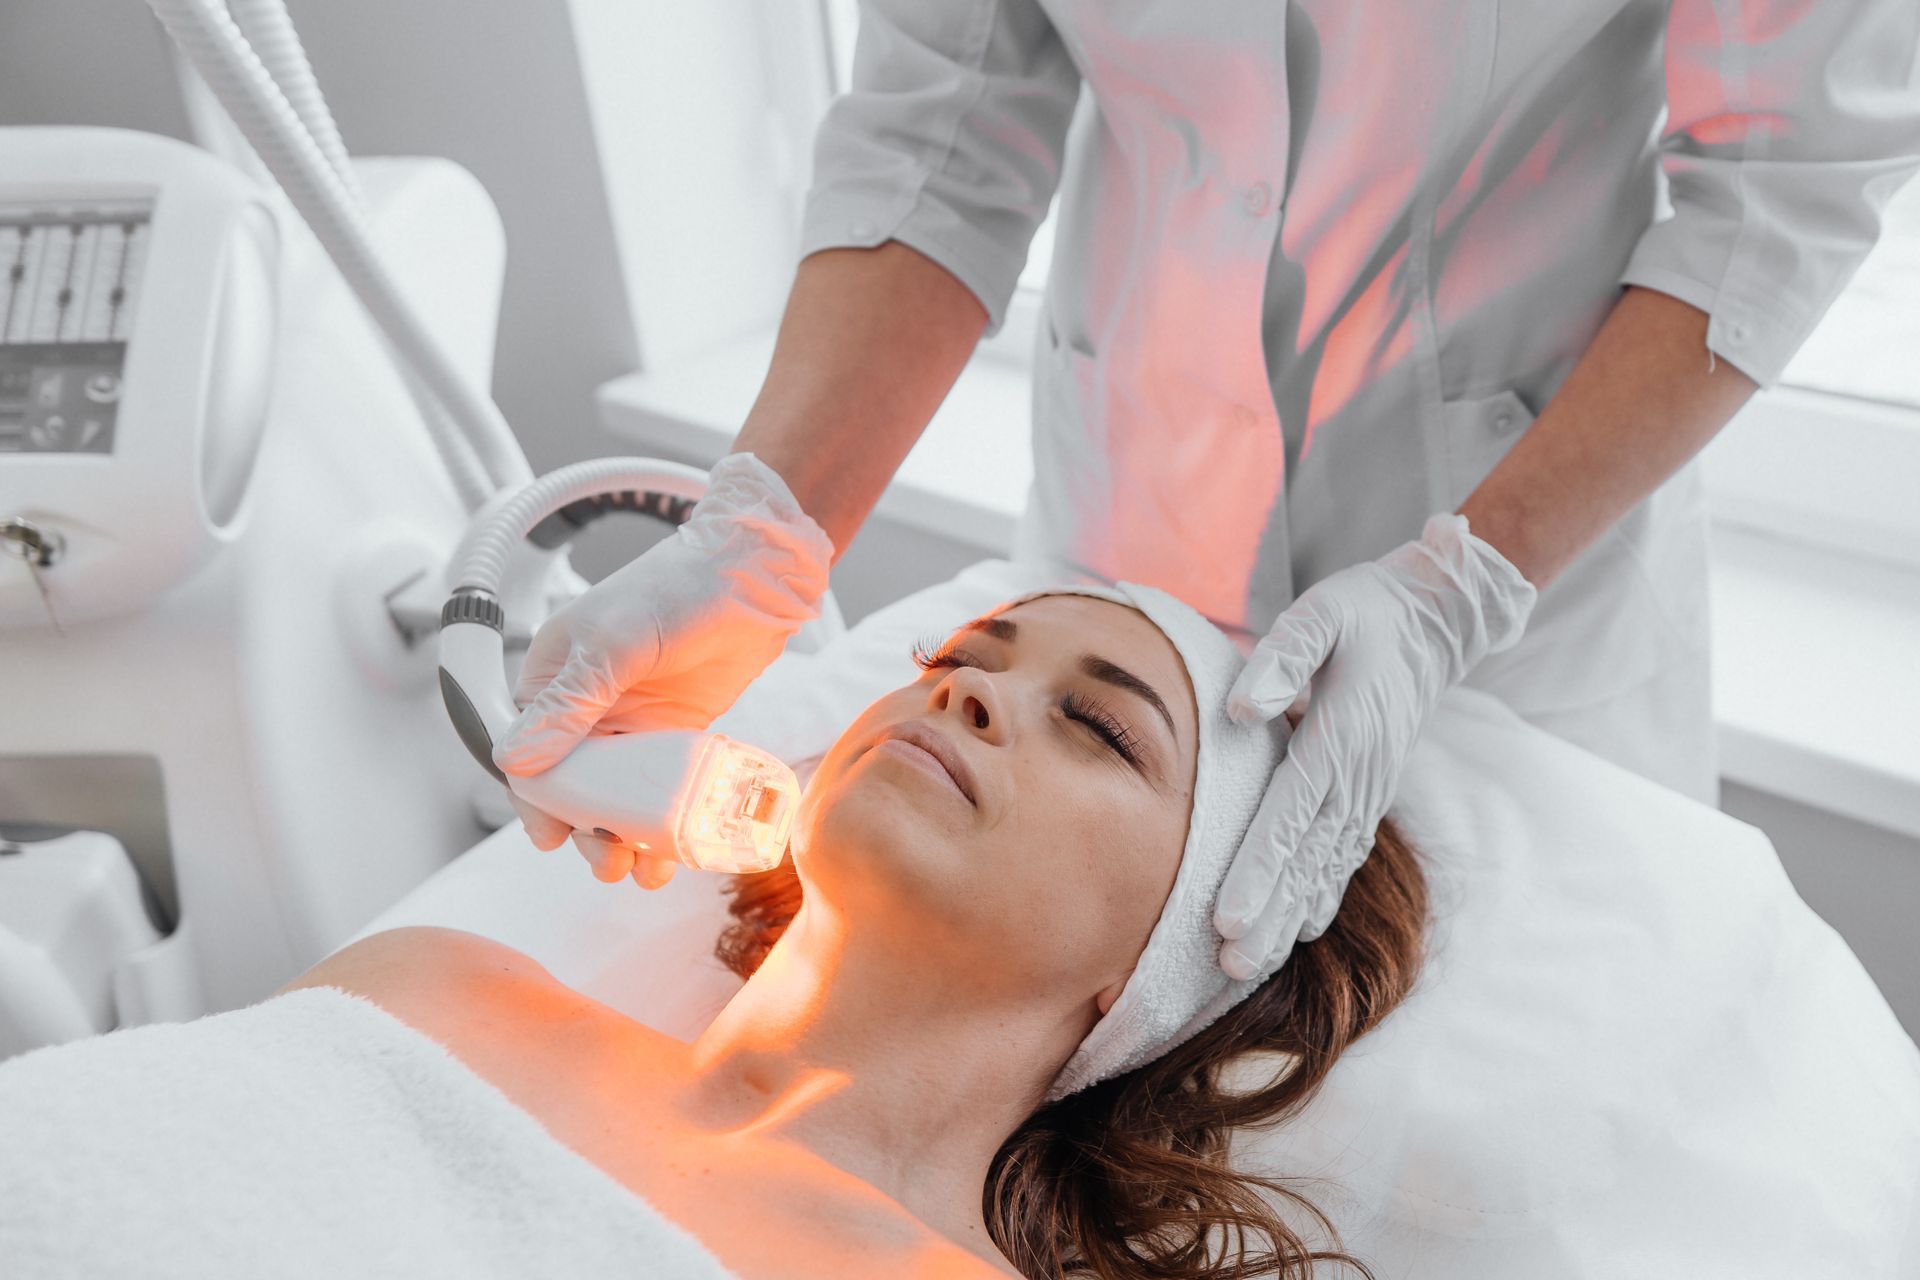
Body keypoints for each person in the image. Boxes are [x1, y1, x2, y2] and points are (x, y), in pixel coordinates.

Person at [496, 3, 1920, 989]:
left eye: (1097, 730)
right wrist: (763, 529)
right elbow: (944, 121)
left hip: (1529, 558)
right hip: (1132, 496)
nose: (966, 695)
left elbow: (1785, 183)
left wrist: (1464, 583)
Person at [290, 585, 1430, 1278]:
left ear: (1172, 969)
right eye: (954, 659)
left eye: (1097, 724)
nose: (966, 693)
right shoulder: (430, 992)